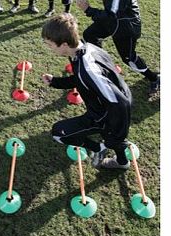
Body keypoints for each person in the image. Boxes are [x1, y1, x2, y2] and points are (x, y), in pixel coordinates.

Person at [41, 14, 132, 169]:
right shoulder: (84, 49)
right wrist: (56, 82)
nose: (49, 49)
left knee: (58, 133)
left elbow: (120, 103)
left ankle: (99, 148)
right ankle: (122, 161)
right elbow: (80, 79)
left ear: (63, 44)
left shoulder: (88, 70)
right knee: (110, 134)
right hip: (107, 105)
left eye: (50, 45)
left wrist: (117, 135)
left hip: (106, 114)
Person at [76, 0, 160, 97]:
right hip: (113, 19)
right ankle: (102, 66)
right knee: (90, 35)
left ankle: (154, 78)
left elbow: (111, 16)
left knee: (129, 58)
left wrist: (88, 9)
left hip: (126, 26)